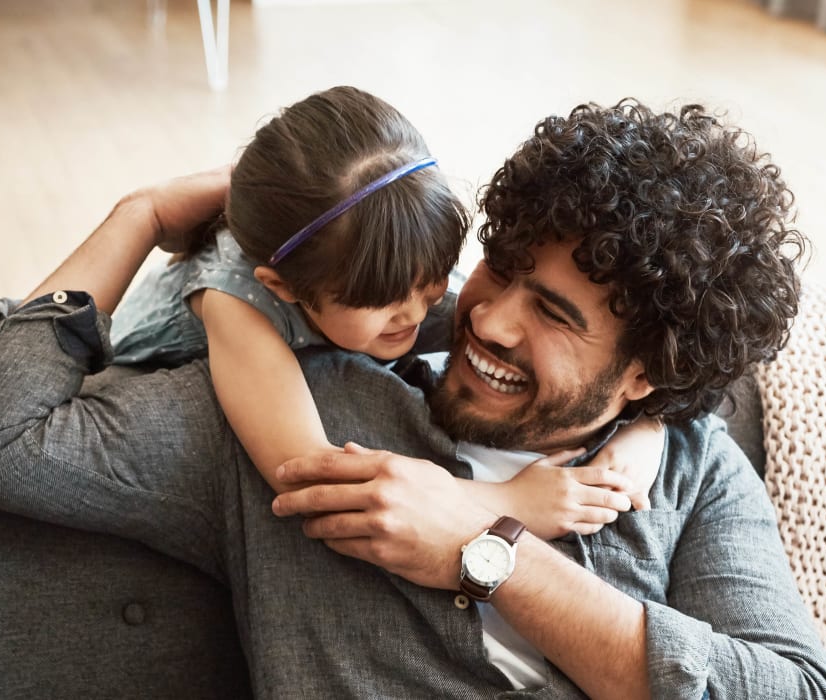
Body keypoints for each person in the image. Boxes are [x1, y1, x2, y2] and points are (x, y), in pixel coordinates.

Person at [0, 100, 826, 698]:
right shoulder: (294, 418)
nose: (490, 321)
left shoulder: (684, 461)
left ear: (646, 375)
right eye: (502, 269)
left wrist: (492, 552)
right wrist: (140, 217)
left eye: (552, 312)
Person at [113, 86, 664, 538]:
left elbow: (656, 360)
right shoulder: (239, 309)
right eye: (384, 306)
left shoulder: (383, 264)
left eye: (430, 284)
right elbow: (308, 478)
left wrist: (648, 427)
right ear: (284, 288)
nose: (418, 313)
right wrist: (506, 502)